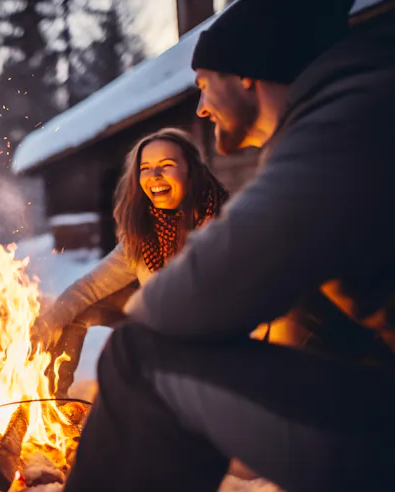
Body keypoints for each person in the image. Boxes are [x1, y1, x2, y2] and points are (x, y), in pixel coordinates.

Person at [66, 1, 395, 491]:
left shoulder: (347, 122)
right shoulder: (357, 106)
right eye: (146, 170)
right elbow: (116, 284)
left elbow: (178, 304)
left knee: (138, 355)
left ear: (246, 75)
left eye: (202, 84)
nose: (200, 107)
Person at [33, 128, 230, 397]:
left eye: (167, 165)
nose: (154, 176)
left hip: (210, 345)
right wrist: (47, 323)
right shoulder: (144, 235)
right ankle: (52, 403)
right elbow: (89, 288)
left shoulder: (224, 224)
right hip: (158, 325)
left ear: (192, 170)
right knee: (73, 311)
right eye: (146, 168)